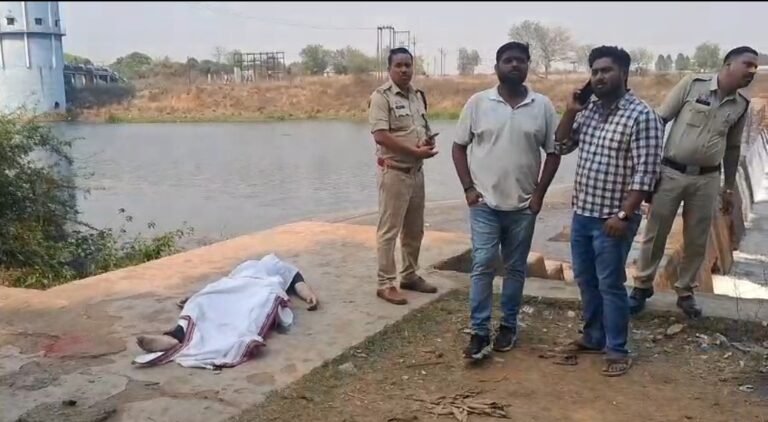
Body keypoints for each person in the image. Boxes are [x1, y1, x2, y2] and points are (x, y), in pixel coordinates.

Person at [554, 46, 664, 376]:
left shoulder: (642, 115)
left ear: (624, 74)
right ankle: (593, 337)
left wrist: (624, 215)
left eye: (607, 70)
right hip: (583, 214)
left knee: (610, 284)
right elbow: (560, 145)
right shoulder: (588, 111)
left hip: (614, 218)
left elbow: (647, 173)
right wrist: (571, 111)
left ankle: (617, 350)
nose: (599, 77)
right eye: (595, 72)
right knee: (586, 280)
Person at [628, 46, 758, 318]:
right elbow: (659, 120)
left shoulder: (741, 105)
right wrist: (647, 168)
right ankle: (641, 286)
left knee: (697, 238)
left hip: (708, 178)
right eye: (747, 64)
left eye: (755, 67)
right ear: (728, 64)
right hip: (671, 173)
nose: (752, 71)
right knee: (656, 233)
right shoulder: (692, 84)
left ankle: (685, 291)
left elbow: (733, 148)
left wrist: (728, 186)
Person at [452, 41, 561, 360]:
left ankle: (508, 327)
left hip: (524, 206)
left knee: (515, 268)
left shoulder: (542, 106)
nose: (515, 65)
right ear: (497, 66)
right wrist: (468, 189)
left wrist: (539, 195)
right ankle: (479, 331)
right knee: (483, 263)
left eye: (521, 60)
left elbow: (553, 153)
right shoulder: (478, 103)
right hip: (484, 204)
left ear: (527, 66)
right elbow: (458, 147)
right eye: (508, 60)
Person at [132, 254, 318, 369]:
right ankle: (174, 336)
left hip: (260, 288)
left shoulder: (283, 268)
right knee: (202, 302)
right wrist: (193, 296)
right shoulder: (246, 266)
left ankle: (179, 339)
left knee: (247, 312)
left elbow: (299, 285)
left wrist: (309, 295)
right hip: (233, 285)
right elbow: (224, 284)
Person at [367, 47, 439, 305]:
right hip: (394, 172)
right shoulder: (381, 97)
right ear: (389, 69)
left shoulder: (417, 96)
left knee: (414, 230)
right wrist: (414, 151)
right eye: (398, 65)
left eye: (408, 65)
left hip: (416, 172)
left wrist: (426, 142)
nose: (404, 70)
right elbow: (380, 135)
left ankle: (409, 275)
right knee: (389, 231)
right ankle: (385, 284)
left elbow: (418, 127)